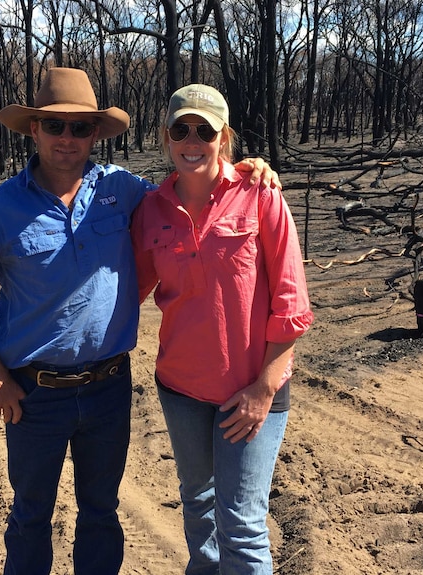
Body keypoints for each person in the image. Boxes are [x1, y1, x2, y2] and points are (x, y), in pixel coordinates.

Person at [0, 68, 278, 575]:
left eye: (80, 127)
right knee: (30, 517)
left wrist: (248, 170)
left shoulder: (125, 191)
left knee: (101, 514)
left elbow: (190, 184)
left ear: (96, 132)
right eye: (55, 126)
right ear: (34, 130)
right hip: (32, 396)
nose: (67, 138)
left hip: (108, 390)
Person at [131, 84, 314, 574]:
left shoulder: (260, 195)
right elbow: (126, 287)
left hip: (252, 389)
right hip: (181, 387)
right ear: (166, 136)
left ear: (224, 137)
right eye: (180, 129)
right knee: (197, 503)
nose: (192, 140)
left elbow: (292, 303)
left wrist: (263, 388)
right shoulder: (151, 208)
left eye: (204, 130)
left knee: (242, 524)